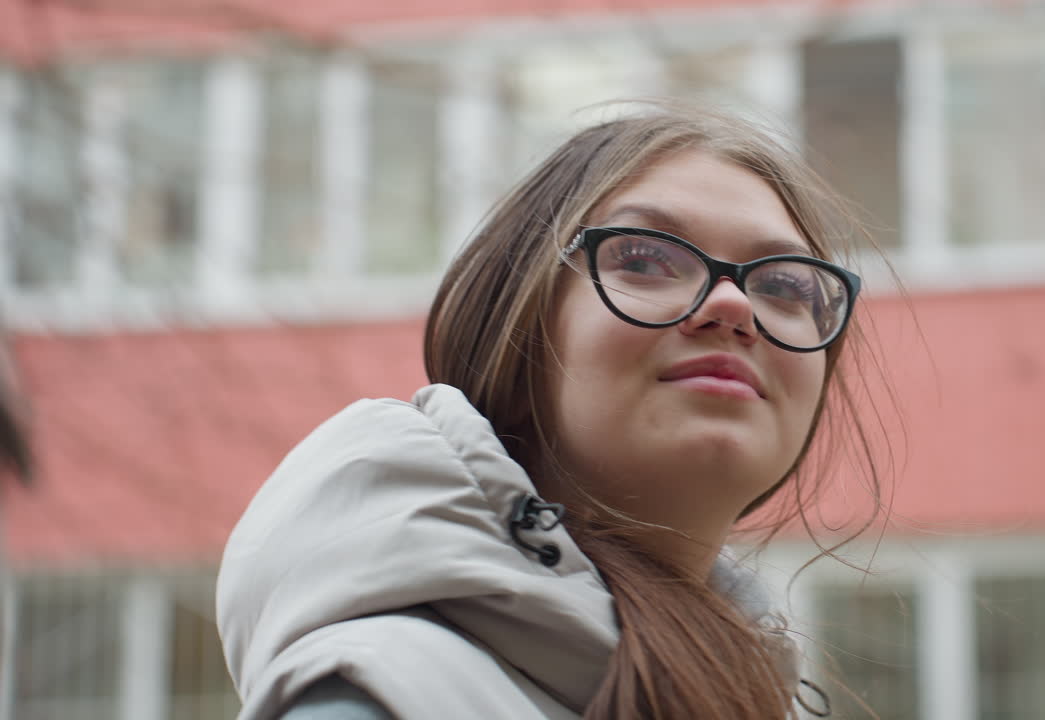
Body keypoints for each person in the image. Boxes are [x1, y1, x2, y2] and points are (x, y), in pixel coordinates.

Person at [217, 102, 879, 720]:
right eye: (645, 259)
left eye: (786, 285)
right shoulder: (379, 696)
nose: (736, 306)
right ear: (518, 326)